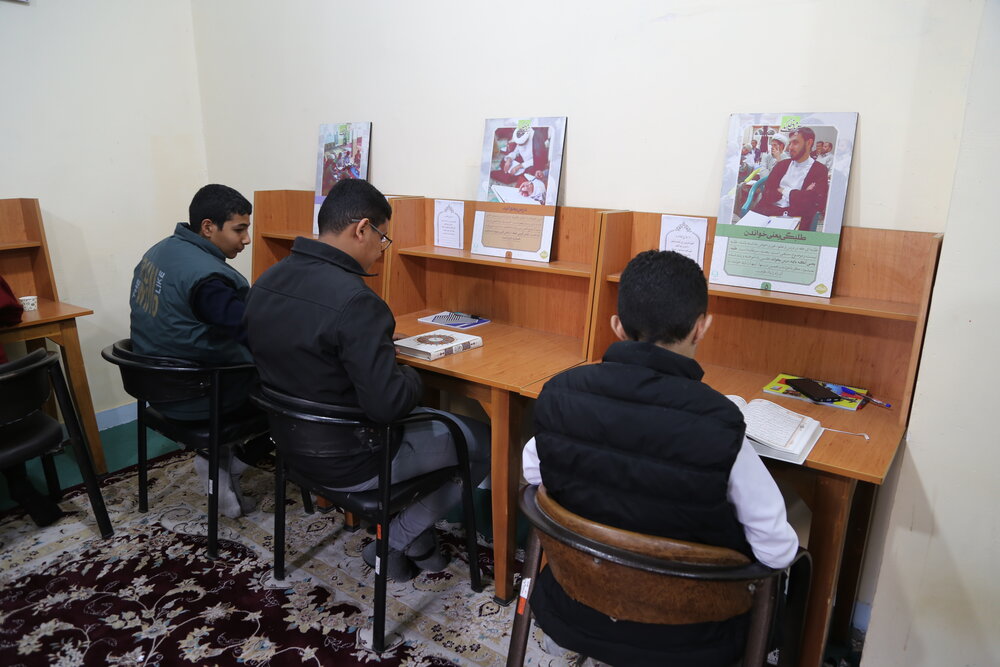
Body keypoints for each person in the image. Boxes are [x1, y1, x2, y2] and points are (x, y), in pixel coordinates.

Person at [522, 250, 798, 667]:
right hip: (690, 634)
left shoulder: (561, 393)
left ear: (617, 326)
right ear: (702, 327)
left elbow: (533, 472)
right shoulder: (719, 423)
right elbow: (777, 551)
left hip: (575, 604)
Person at [244, 178, 490, 581]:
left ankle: (419, 541)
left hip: (289, 445)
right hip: (355, 456)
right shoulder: (357, 301)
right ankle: (394, 540)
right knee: (484, 442)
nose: (380, 251)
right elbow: (388, 405)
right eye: (382, 239)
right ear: (362, 229)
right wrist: (407, 371)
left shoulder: (266, 282)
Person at [129, 183, 263, 518]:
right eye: (239, 229)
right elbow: (255, 336)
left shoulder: (160, 251)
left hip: (153, 385)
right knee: (297, 391)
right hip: (197, 397)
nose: (246, 239)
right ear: (208, 227)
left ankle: (219, 458)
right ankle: (228, 462)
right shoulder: (208, 280)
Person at [751, 127, 830, 230]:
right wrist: (801, 194)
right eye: (790, 143)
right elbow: (768, 192)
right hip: (767, 211)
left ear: (809, 143)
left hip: (795, 217)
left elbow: (817, 203)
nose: (790, 148)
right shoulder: (782, 165)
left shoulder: (819, 170)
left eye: (795, 143)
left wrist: (784, 191)